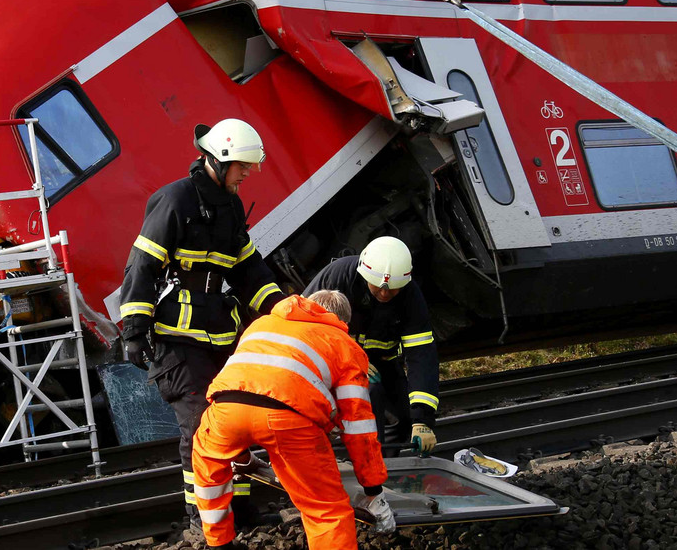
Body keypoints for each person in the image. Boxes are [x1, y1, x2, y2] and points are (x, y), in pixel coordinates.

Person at [119, 118, 285, 523]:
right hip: (177, 338)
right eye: (243, 165)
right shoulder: (175, 200)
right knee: (199, 427)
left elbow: (247, 269)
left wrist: (281, 309)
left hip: (219, 333)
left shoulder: (229, 206)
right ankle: (204, 518)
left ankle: (241, 509)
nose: (248, 172)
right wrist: (134, 331)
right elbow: (141, 266)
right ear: (220, 159)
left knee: (235, 420)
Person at [191, 290, 395, 549]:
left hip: (224, 410)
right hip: (289, 420)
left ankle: (219, 544)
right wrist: (373, 491)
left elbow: (250, 387)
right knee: (326, 510)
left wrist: (242, 459)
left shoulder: (261, 324)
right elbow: (358, 427)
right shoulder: (344, 344)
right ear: (341, 320)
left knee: (209, 474)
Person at [303, 236, 439, 455]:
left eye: (393, 290)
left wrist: (422, 419)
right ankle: (368, 465)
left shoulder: (411, 295)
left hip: (382, 363)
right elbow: (305, 330)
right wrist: (350, 361)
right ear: (364, 274)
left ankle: (386, 463)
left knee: (404, 417)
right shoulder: (338, 276)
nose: (385, 294)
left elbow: (421, 355)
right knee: (369, 399)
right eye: (378, 288)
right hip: (335, 362)